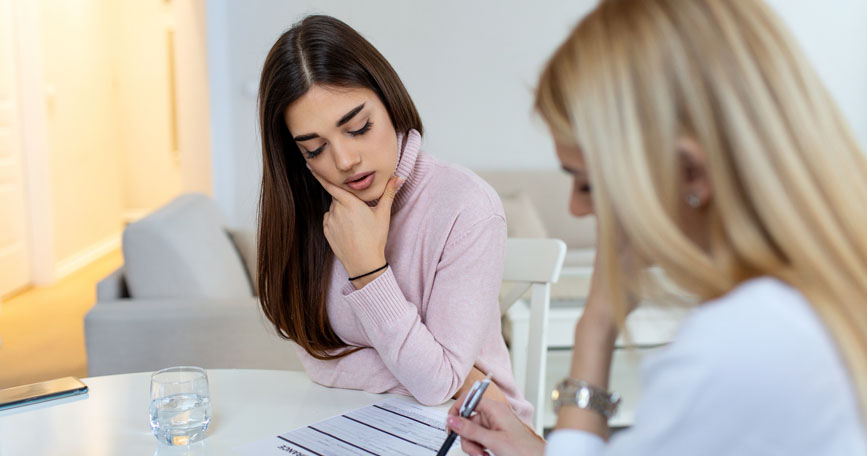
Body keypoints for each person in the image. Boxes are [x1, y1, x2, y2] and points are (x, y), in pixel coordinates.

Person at [446, 0, 867, 454]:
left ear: (690, 174)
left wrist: (596, 327)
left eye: (587, 185)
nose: (575, 208)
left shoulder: (739, 344)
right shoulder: (806, 304)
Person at [255, 15, 532, 423]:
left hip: (477, 428)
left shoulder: (466, 207)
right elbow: (316, 358)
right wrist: (447, 374)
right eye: (315, 150)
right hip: (362, 423)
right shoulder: (314, 209)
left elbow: (437, 386)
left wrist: (367, 269)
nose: (345, 161)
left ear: (389, 102)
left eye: (358, 127)